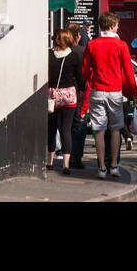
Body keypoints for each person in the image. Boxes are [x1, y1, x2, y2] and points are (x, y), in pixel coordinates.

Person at [79, 12, 137, 180]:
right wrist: (132, 93)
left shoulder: (92, 45)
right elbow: (128, 73)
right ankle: (114, 165)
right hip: (114, 91)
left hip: (97, 91)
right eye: (117, 25)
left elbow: (85, 70)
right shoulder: (121, 45)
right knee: (115, 129)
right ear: (112, 26)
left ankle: (102, 168)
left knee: (99, 129)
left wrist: (85, 84)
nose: (118, 27)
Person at [48, 28, 83, 175]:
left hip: (53, 95)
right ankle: (66, 165)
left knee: (51, 128)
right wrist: (81, 89)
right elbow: (80, 78)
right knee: (66, 129)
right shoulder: (74, 56)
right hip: (69, 95)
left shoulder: (49, 55)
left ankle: (49, 161)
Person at [67, 24, 90, 169]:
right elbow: (86, 73)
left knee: (65, 127)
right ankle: (76, 158)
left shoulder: (61, 51)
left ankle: (65, 157)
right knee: (79, 126)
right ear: (78, 36)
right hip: (79, 93)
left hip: (62, 93)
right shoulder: (83, 51)